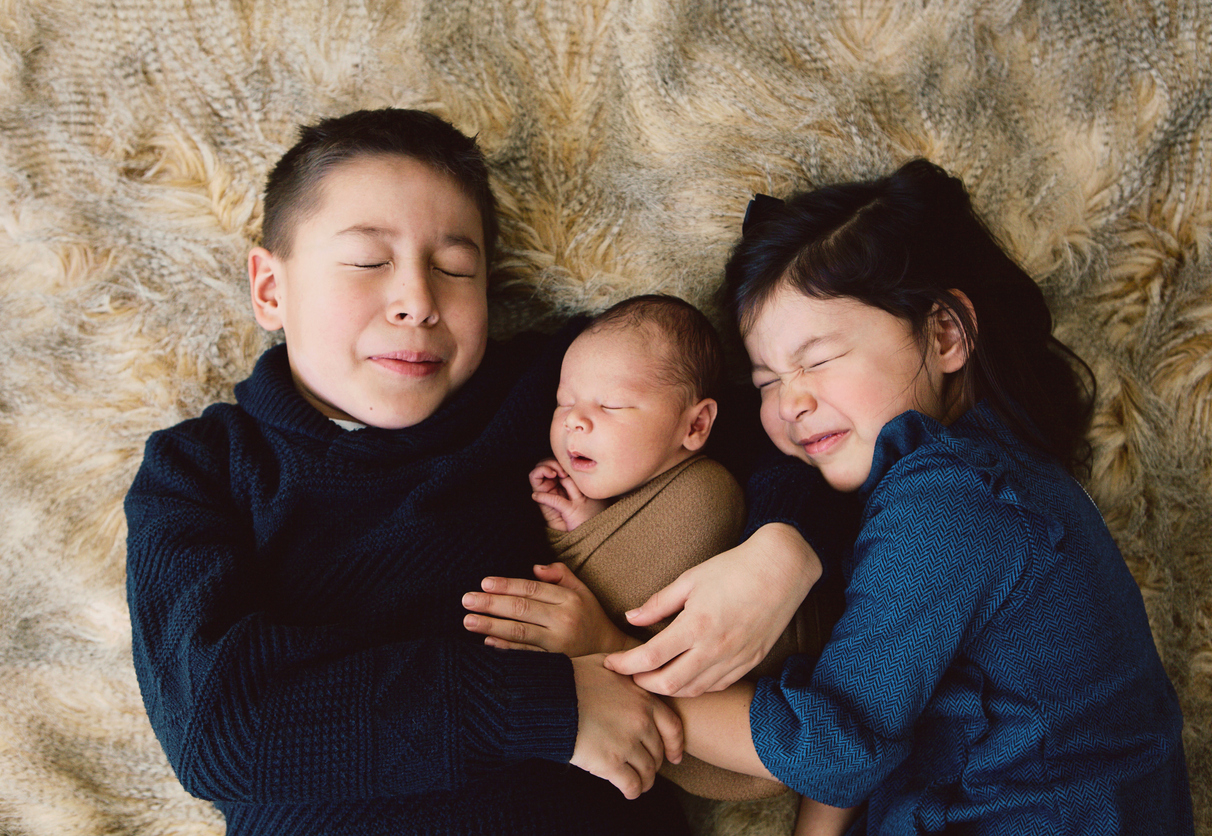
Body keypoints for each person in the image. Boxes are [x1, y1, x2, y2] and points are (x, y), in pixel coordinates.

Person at [123, 108, 840, 836]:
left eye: (454, 268)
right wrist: (549, 707)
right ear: (271, 289)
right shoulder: (199, 470)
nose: (418, 302)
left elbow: (770, 426)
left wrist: (782, 549)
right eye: (370, 261)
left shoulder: (554, 393)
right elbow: (216, 727)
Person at [624, 158, 1195, 835]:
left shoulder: (953, 501)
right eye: (767, 379)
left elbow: (832, 747)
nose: (792, 403)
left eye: (818, 359)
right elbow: (865, 705)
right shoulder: (984, 478)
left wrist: (610, 677)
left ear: (946, 333)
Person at [462, 294, 836, 805]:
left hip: (765, 730)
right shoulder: (629, 496)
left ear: (695, 426)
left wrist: (585, 562)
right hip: (701, 746)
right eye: (564, 402)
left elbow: (632, 594)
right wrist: (583, 526)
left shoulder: (708, 491)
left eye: (610, 405)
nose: (574, 421)